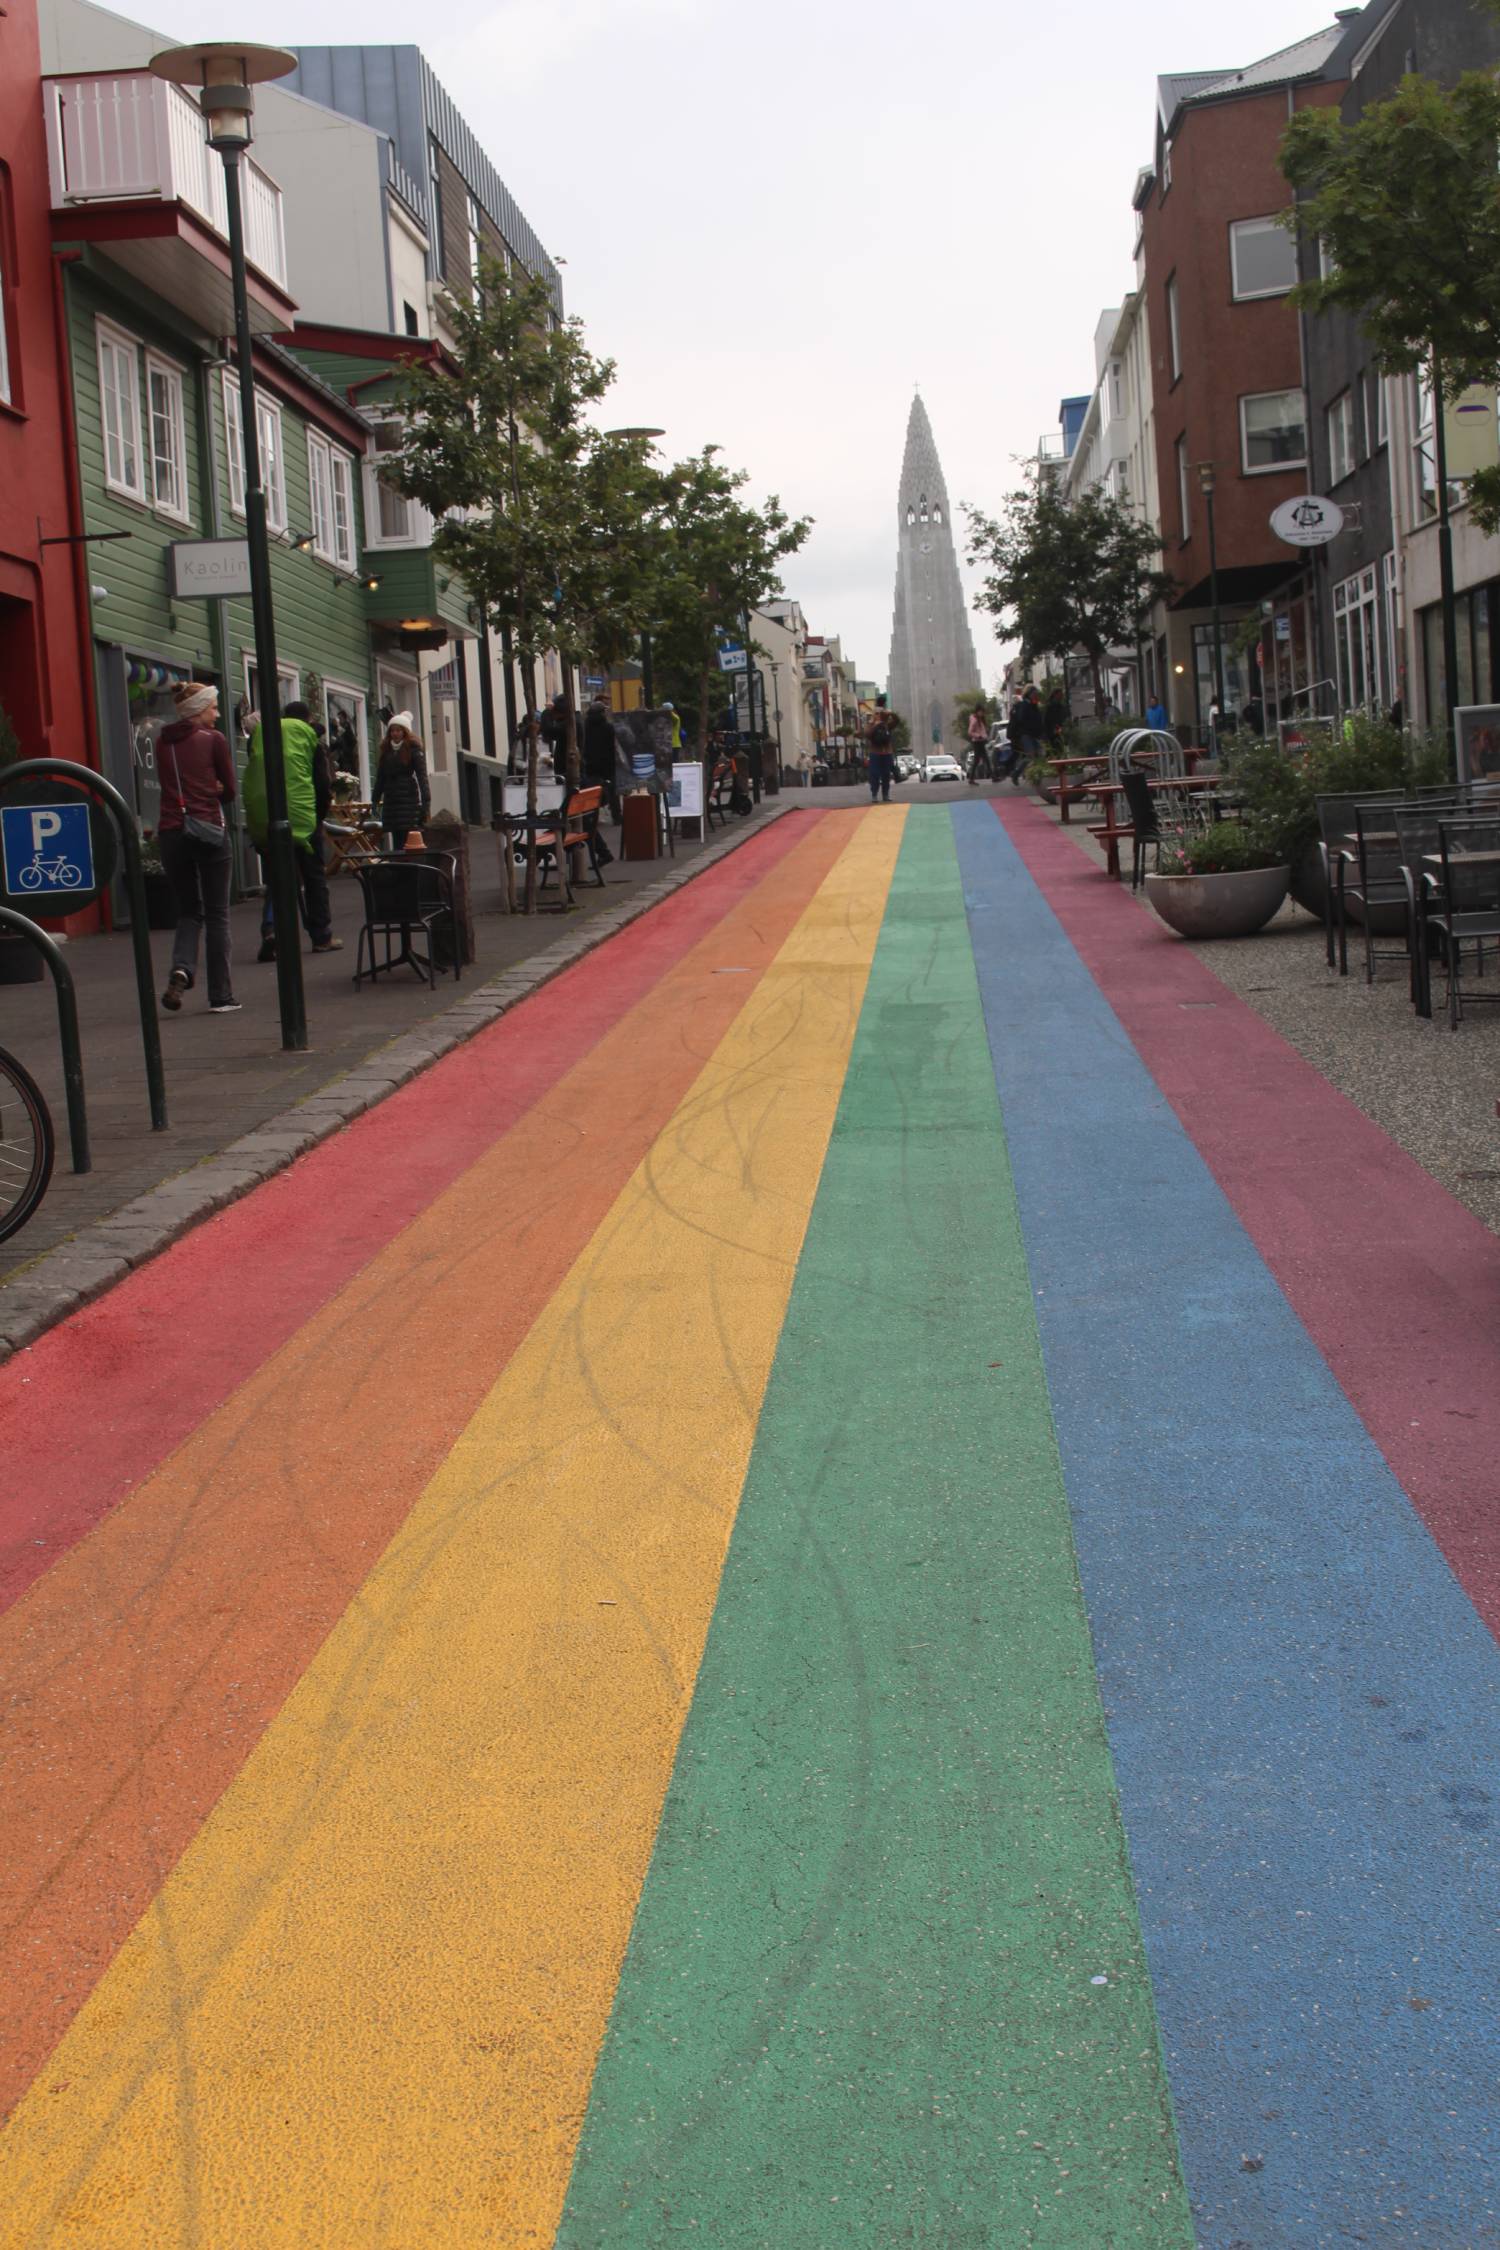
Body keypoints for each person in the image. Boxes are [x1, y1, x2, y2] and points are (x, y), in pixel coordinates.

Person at [156, 680, 239, 1014]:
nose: (217, 715)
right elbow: (230, 790)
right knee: (218, 914)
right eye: (213, 708)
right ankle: (220, 996)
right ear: (199, 709)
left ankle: (182, 968)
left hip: (171, 831)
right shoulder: (213, 740)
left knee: (189, 910)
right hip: (207, 829)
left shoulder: (161, 742)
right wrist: (215, 788)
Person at [242, 700, 340, 962]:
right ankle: (321, 936)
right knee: (314, 878)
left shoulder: (263, 737)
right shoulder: (311, 742)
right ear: (308, 720)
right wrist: (317, 819)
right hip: (304, 820)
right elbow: (322, 785)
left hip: (269, 819)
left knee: (279, 880)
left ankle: (272, 930)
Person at [371, 711, 430, 850]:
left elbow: (422, 776)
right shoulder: (386, 750)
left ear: (404, 732)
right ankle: (397, 866)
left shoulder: (413, 749)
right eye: (392, 731)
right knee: (396, 834)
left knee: (407, 835)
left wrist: (426, 802)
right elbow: (381, 777)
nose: (395, 734)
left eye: (398, 730)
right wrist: (375, 799)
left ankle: (407, 866)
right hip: (391, 797)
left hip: (408, 797)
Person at [865, 696, 897, 803]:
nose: (879, 715)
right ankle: (874, 794)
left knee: (886, 775)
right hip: (875, 753)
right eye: (877, 713)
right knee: (874, 774)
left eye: (881, 714)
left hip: (887, 752)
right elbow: (867, 734)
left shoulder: (887, 725)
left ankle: (885, 794)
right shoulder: (871, 723)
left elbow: (897, 721)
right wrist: (875, 724)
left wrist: (891, 714)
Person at [966, 703, 991, 782]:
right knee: (982, 759)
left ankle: (972, 778)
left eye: (983, 712)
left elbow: (982, 731)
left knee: (983, 760)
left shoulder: (980, 719)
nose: (982, 713)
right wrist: (978, 736)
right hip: (977, 742)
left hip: (980, 742)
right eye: (981, 711)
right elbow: (970, 732)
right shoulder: (975, 720)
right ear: (977, 711)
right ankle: (993, 776)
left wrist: (985, 737)